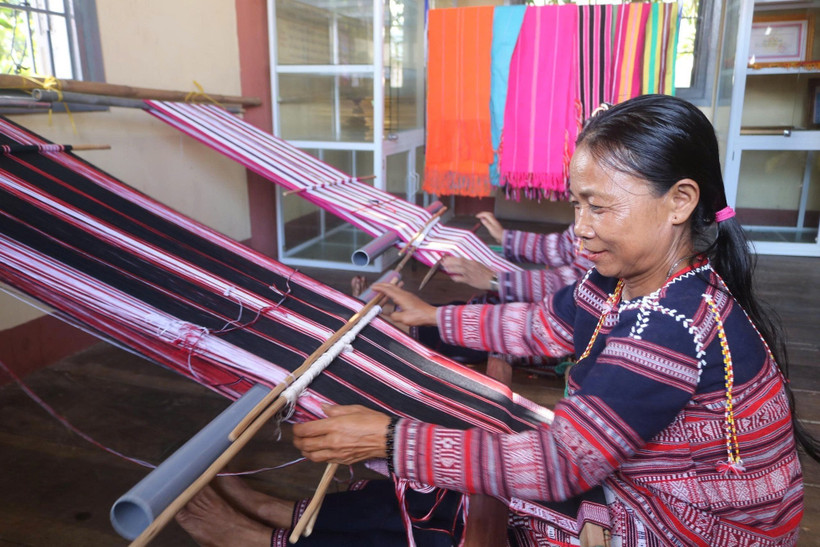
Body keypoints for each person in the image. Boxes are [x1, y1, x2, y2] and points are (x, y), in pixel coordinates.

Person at [290, 94, 817, 546]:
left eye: (598, 207)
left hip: (700, 529)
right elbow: (538, 326)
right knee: (478, 465)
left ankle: (265, 529)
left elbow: (561, 464)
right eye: (575, 205)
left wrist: (388, 440)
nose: (580, 229)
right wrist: (431, 317)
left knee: (489, 501)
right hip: (666, 491)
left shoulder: (670, 326)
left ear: (679, 202)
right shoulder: (624, 284)